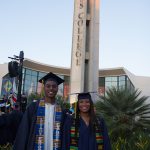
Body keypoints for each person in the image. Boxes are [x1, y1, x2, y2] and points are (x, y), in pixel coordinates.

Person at [13, 72, 65, 150]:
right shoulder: (33, 108)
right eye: (48, 86)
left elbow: (64, 136)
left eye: (54, 86)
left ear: (57, 88)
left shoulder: (62, 111)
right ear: (44, 88)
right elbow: (24, 131)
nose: (51, 88)